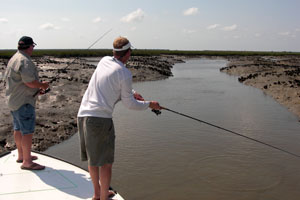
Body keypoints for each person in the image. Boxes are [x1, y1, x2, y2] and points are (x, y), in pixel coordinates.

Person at [77, 36, 161, 200]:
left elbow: (116, 85)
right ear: (128, 53)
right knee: (106, 163)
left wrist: (132, 92)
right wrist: (150, 104)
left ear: (114, 51)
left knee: (93, 160)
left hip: (83, 115)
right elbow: (130, 104)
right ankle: (102, 197)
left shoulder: (104, 60)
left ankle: (97, 193)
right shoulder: (125, 73)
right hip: (100, 120)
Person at [5, 36, 49, 170]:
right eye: (33, 46)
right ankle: (27, 162)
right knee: (27, 132)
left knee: (18, 129)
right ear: (29, 46)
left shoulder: (14, 58)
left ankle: (22, 156)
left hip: (14, 101)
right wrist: (42, 85)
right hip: (24, 103)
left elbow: (22, 83)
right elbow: (29, 82)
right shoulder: (24, 61)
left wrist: (37, 89)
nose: (33, 49)